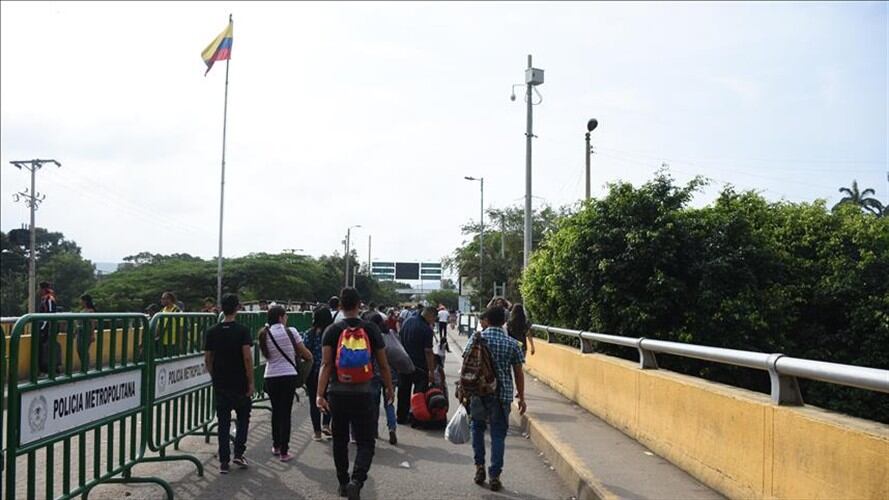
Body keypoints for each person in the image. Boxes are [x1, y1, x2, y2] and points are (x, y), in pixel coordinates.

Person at [316, 287, 394, 500]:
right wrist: (389, 388)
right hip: (364, 393)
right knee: (366, 441)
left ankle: (343, 482)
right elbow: (383, 364)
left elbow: (326, 364)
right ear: (359, 305)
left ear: (340, 306)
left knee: (340, 440)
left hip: (337, 393)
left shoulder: (331, 331)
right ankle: (357, 481)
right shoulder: (371, 329)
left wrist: (319, 394)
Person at [464, 306, 526, 492]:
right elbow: (518, 373)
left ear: (487, 321)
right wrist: (521, 397)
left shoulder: (476, 339)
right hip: (502, 395)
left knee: (477, 428)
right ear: (504, 321)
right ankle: (495, 475)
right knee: (498, 435)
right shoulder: (512, 343)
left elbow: (467, 362)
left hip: (478, 392)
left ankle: (479, 468)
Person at [203, 293, 254, 474]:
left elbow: (208, 358)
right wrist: (251, 381)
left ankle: (224, 461)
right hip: (239, 381)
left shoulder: (212, 331)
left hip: (221, 383)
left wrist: (214, 375)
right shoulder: (242, 331)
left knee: (223, 422)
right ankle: (238, 453)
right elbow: (247, 357)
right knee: (243, 418)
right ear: (237, 308)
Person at [259, 305, 313, 462]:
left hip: (271, 376)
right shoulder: (291, 332)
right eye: (286, 316)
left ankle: (275, 445)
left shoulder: (264, 333)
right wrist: (310, 358)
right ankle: (284, 450)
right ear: (281, 317)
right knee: (285, 413)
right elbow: (303, 352)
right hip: (288, 375)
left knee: (276, 411)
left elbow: (266, 355)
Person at [362, 311, 399, 444]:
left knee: (374, 404)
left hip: (374, 374)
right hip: (391, 373)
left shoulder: (368, 337)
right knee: (389, 403)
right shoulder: (391, 334)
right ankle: (392, 428)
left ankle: (375, 430)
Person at [396, 306, 437, 424]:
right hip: (420, 366)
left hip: (404, 363)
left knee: (403, 390)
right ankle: (416, 417)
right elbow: (428, 352)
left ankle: (401, 416)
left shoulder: (408, 321)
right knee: (418, 393)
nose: (433, 322)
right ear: (430, 316)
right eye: (434, 319)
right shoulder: (426, 329)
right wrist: (431, 371)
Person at [304, 306, 334, 440]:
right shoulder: (331, 333)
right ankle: (326, 424)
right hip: (328, 372)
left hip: (311, 372)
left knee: (313, 401)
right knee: (328, 398)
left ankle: (317, 432)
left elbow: (304, 351)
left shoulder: (309, 333)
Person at [37, 281, 58, 374]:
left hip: (47, 328)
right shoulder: (44, 298)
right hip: (44, 327)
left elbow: (50, 314)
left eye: (40, 289)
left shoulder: (49, 299)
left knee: (46, 349)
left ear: (43, 289)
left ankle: (49, 369)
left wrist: (43, 328)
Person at [76, 294, 97, 369]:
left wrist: (92, 334)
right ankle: (84, 365)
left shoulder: (90, 311)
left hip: (86, 332)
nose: (80, 302)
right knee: (79, 349)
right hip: (79, 332)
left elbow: (92, 323)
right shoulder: (82, 310)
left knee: (84, 350)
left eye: (81, 300)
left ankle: (85, 367)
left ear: (85, 301)